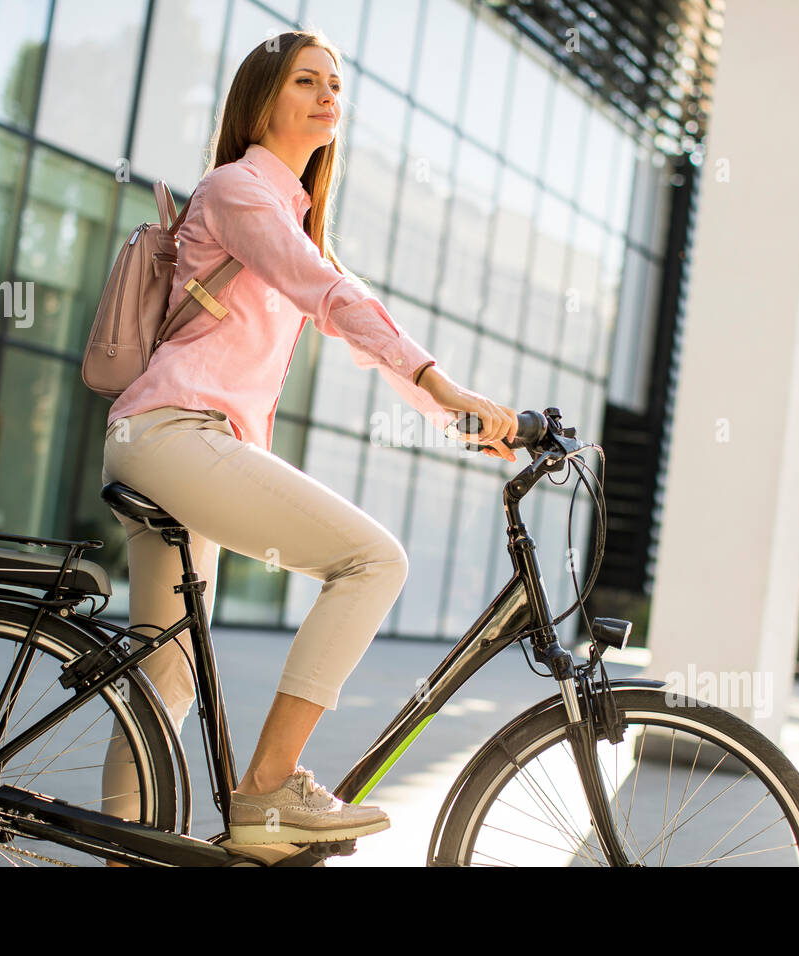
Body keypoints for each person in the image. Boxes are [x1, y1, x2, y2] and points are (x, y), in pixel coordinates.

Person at [98, 29, 519, 857]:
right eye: (306, 81)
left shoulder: (289, 217)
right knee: (372, 562)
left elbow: (357, 318)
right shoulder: (238, 191)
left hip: (165, 440)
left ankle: (122, 850)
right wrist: (445, 389)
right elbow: (328, 297)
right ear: (262, 100)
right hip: (175, 435)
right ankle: (268, 789)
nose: (330, 95)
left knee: (164, 686)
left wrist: (455, 418)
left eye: (336, 83)